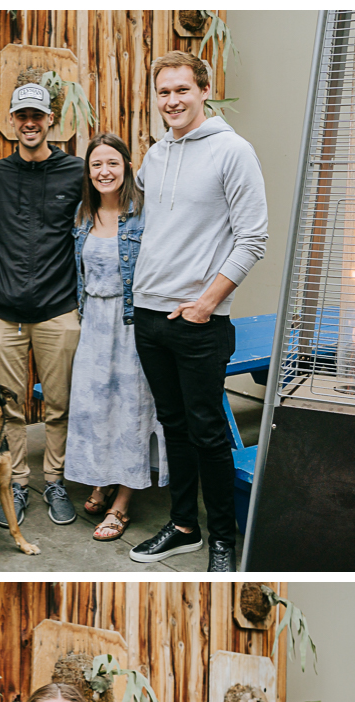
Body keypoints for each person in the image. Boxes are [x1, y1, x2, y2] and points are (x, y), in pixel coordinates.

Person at [129, 51, 268, 572]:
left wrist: (209, 303)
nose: (172, 101)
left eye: (182, 90)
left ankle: (222, 540)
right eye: (163, 92)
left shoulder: (234, 152)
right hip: (149, 314)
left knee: (209, 433)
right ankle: (184, 525)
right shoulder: (156, 155)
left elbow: (253, 238)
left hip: (199, 322)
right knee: (174, 426)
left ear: (204, 89)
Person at [0, 83, 84, 528]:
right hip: (3, 311)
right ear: (11, 121)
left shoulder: (76, 172)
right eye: (21, 116)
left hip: (58, 309)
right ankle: (18, 482)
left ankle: (56, 480)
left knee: (59, 403)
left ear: (50, 121)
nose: (29, 124)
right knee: (11, 408)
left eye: (37, 116)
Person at [65, 132, 168, 542]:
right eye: (96, 165)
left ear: (127, 166)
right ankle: (100, 478)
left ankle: (123, 499)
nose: (104, 171)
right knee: (92, 408)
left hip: (131, 326)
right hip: (94, 324)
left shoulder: (144, 214)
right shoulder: (83, 215)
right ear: (88, 173)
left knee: (131, 412)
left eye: (112, 163)